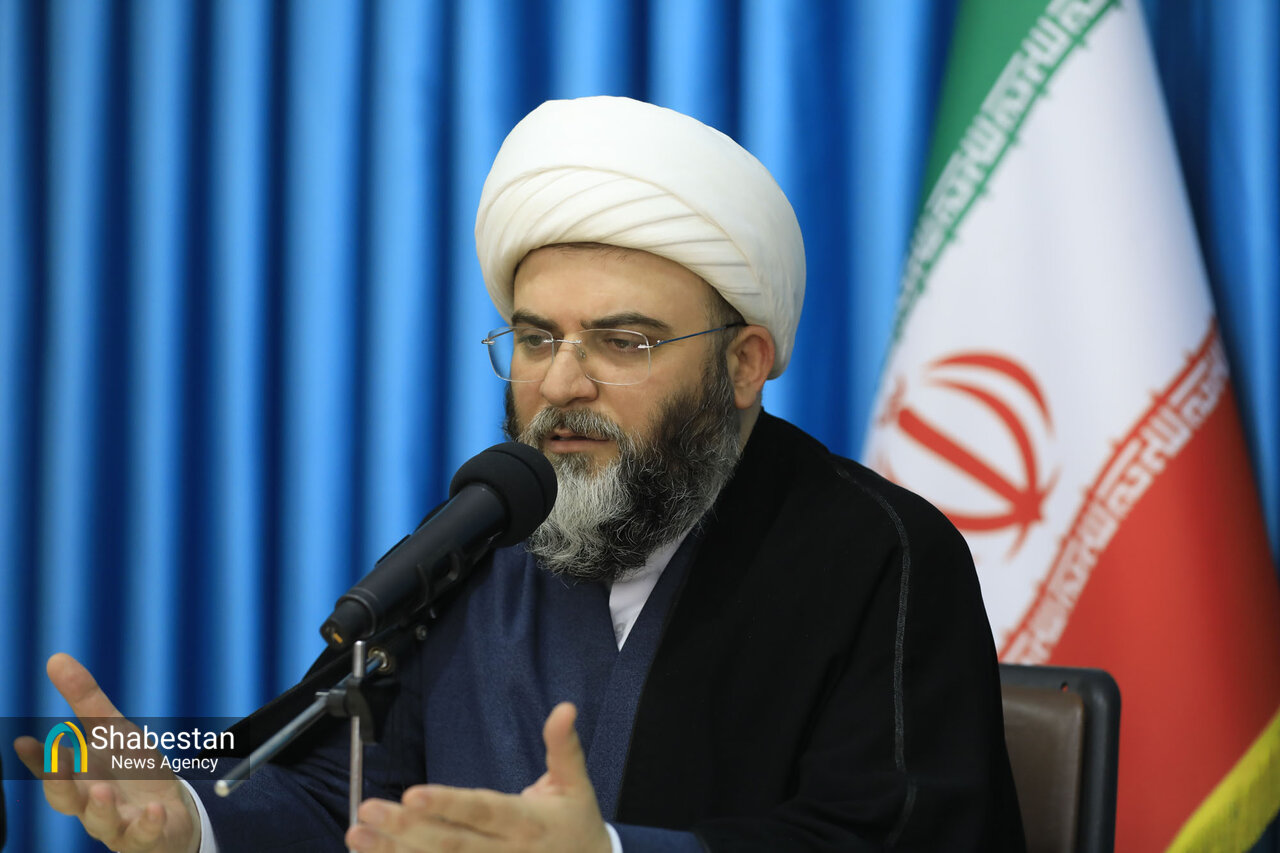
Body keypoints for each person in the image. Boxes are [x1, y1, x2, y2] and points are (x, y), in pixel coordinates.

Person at [17, 96, 1025, 852]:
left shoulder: (875, 553)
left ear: (743, 364)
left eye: (622, 342)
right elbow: (352, 794)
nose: (561, 382)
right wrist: (192, 819)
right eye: (537, 337)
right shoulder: (485, 533)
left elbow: (897, 832)